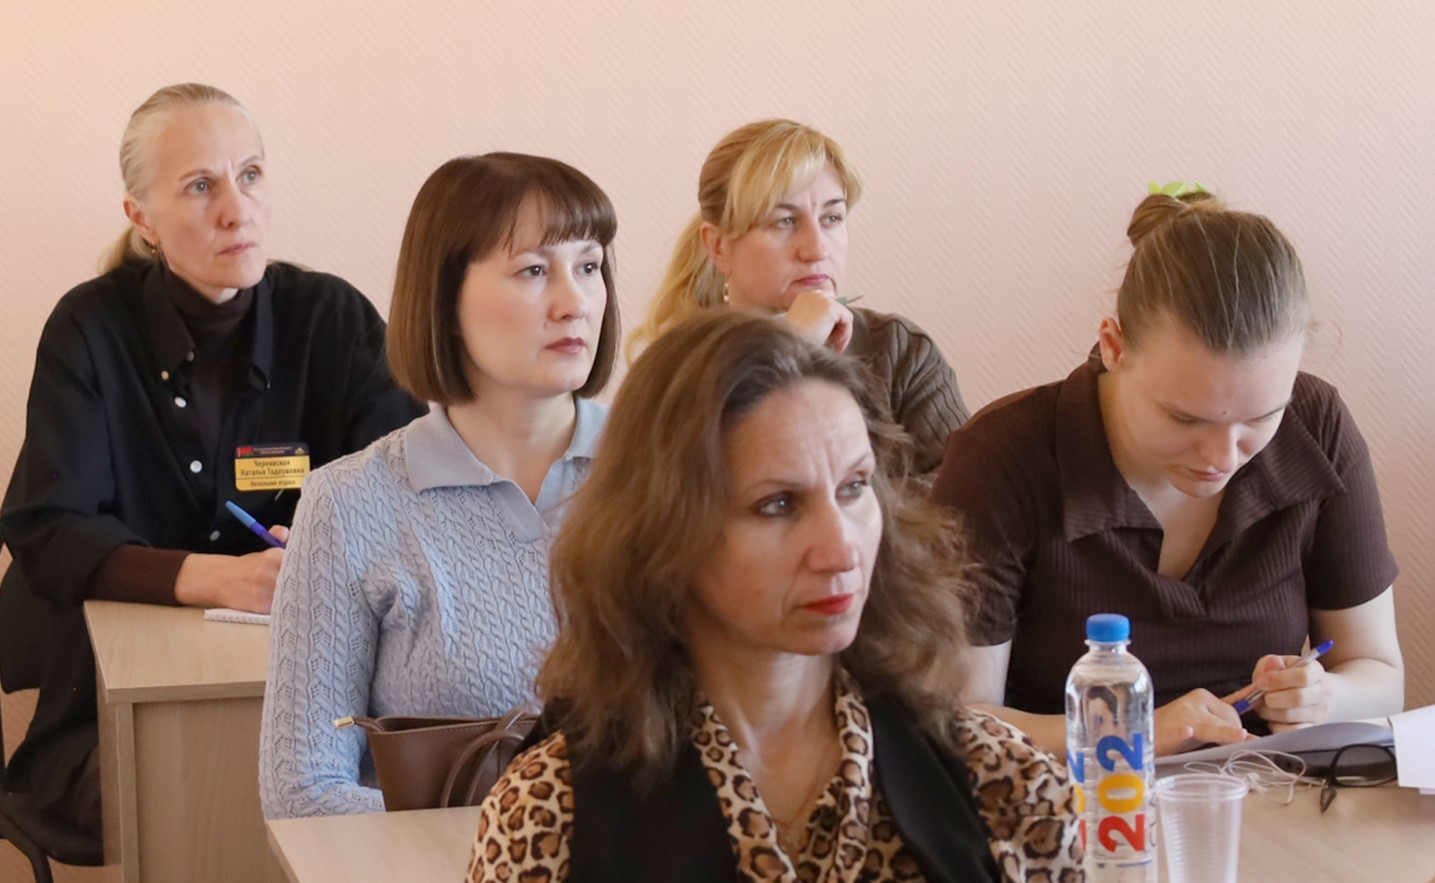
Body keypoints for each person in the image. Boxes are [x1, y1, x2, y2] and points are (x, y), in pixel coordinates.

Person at [468, 311, 1079, 882]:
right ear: (663, 532)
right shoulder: (552, 815)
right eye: (779, 505)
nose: (840, 549)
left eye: (854, 488)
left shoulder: (1004, 788)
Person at [0, 83, 424, 838]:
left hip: (325, 693)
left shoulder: (331, 318)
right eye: (200, 186)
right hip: (118, 707)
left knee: (366, 793)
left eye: (250, 175)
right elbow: (48, 526)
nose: (237, 209)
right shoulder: (90, 328)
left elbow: (408, 492)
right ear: (142, 218)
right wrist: (223, 578)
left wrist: (330, 549)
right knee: (205, 795)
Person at [932, 189, 1404, 758]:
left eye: (1261, 417)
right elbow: (954, 725)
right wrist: (1131, 734)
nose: (1222, 456)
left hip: (1269, 792)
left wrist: (1325, 697)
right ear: (1114, 346)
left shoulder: (1317, 424)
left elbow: (1379, 673)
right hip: (1071, 799)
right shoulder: (1004, 456)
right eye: (1185, 418)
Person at [259, 153, 619, 819]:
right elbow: (303, 789)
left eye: (590, 266)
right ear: (445, 299)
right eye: (534, 270)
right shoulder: (349, 503)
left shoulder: (666, 475)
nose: (575, 302)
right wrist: (512, 843)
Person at [629, 118, 969, 475]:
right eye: (785, 222)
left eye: (832, 217)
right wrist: (787, 347)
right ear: (718, 246)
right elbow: (689, 493)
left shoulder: (901, 352)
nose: (817, 248)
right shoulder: (673, 374)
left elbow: (962, 496)